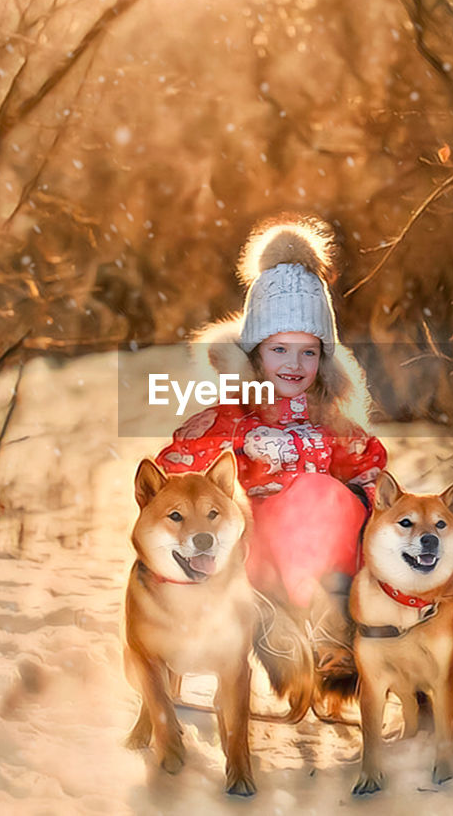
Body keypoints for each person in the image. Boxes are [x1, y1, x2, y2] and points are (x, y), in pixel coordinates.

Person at [155, 213, 387, 681]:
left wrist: (365, 496)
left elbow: (370, 465)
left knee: (325, 495)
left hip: (323, 563)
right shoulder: (232, 418)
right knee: (282, 511)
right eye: (279, 350)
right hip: (254, 559)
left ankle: (333, 633)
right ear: (256, 355)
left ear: (323, 359)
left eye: (308, 351)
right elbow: (175, 469)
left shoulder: (331, 424)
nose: (294, 364)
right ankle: (271, 631)